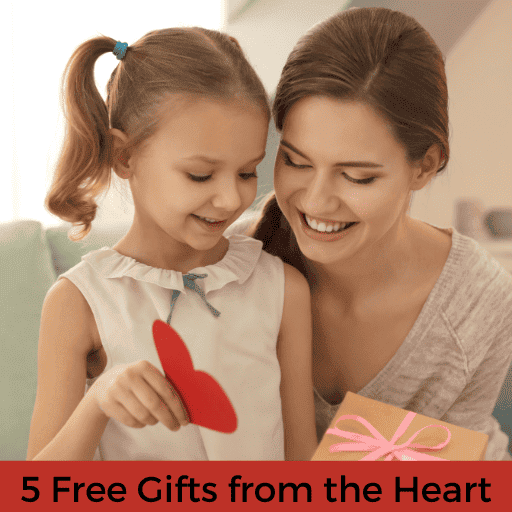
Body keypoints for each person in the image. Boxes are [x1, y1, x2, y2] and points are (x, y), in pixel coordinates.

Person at [226, 7, 512, 460]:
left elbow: (449, 479)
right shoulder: (230, 263)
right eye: (297, 162)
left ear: (425, 165)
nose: (316, 201)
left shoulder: (476, 302)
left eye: (357, 177)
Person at [27, 28, 317, 461]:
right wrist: (99, 399)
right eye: (200, 175)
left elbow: (304, 468)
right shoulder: (79, 302)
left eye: (246, 172)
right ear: (124, 157)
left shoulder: (282, 290)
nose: (231, 199)